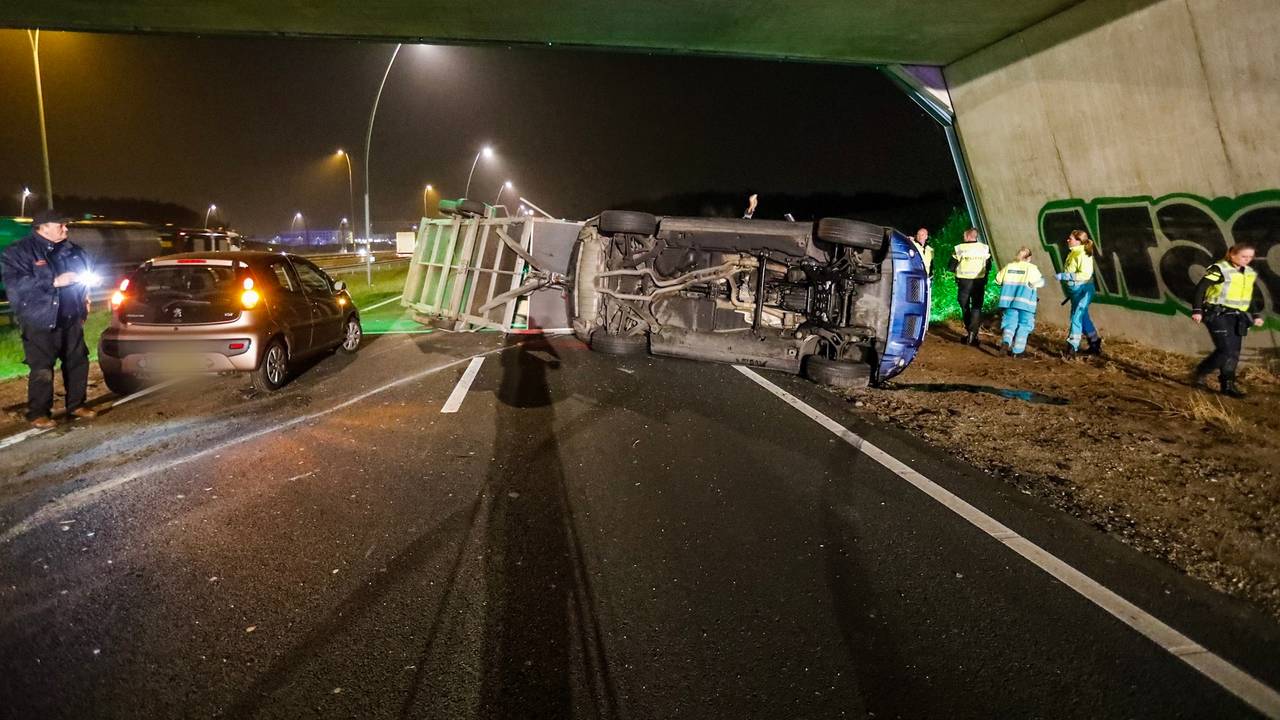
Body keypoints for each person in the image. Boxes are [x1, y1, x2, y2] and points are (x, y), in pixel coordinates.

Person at [0, 209, 98, 428]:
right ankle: (38, 413)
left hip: (70, 316)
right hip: (39, 318)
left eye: (66, 225)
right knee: (42, 367)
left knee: (77, 361)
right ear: (42, 228)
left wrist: (85, 299)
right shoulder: (19, 252)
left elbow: (86, 275)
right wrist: (53, 282)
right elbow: (16, 287)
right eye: (60, 225)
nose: (66, 229)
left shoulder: (73, 251)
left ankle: (76, 405)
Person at [1191, 242, 1265, 398]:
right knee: (1225, 350)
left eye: (1250, 257)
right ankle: (1200, 372)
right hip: (1217, 314)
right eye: (1244, 256)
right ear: (1232, 254)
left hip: (1238, 316)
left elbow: (1247, 296)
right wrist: (1197, 310)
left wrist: (1256, 314)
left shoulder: (1248, 273)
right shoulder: (1220, 269)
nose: (1247, 260)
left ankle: (1228, 385)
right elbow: (1200, 288)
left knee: (1234, 352)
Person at [1055, 229, 1103, 358]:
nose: (1068, 240)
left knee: (1076, 317)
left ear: (1078, 241)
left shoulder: (1083, 255)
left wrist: (1065, 276)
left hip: (1083, 290)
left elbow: (1085, 274)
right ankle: (1094, 342)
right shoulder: (1074, 253)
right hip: (1077, 291)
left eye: (1070, 238)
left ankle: (1072, 348)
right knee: (1082, 317)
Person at [994, 247, 1045, 357]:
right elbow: (1039, 283)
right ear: (1029, 258)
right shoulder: (1032, 268)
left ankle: (1006, 342)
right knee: (1025, 325)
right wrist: (1042, 281)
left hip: (1009, 302)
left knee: (1010, 323)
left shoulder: (1009, 266)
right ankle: (1017, 351)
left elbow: (998, 280)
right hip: (1026, 303)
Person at [947, 226, 990, 346]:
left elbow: (950, 266)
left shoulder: (960, 248)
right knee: (977, 307)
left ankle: (970, 332)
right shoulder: (984, 248)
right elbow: (988, 265)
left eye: (964, 235)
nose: (963, 237)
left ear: (968, 236)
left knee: (965, 306)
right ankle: (973, 334)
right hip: (979, 282)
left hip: (964, 282)